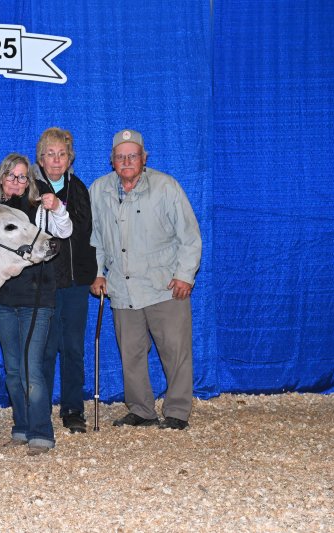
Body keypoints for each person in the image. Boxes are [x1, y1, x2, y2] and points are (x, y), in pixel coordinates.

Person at [89, 130, 201, 430]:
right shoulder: (98, 190)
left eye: (133, 156)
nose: (126, 161)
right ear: (112, 161)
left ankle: (177, 411)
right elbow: (95, 238)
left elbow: (189, 236)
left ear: (144, 158)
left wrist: (184, 275)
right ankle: (141, 410)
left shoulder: (166, 187)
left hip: (164, 287)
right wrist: (97, 272)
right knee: (131, 354)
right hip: (122, 288)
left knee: (175, 352)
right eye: (120, 156)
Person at [0, 153, 72, 455]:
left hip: (37, 298)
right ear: (2, 179)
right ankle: (22, 427)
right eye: (11, 175)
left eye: (22, 177)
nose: (16, 181)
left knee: (31, 368)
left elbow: (64, 231)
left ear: (29, 182)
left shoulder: (39, 211)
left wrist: (58, 208)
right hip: (3, 300)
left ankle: (42, 433)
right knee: (13, 370)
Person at [33, 127, 97, 434]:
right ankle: (40, 409)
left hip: (75, 283)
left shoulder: (79, 189)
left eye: (62, 154)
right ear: (41, 159)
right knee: (45, 349)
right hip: (44, 284)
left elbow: (85, 230)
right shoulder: (31, 190)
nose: (56, 160)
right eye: (50, 154)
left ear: (70, 159)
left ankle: (73, 409)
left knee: (73, 347)